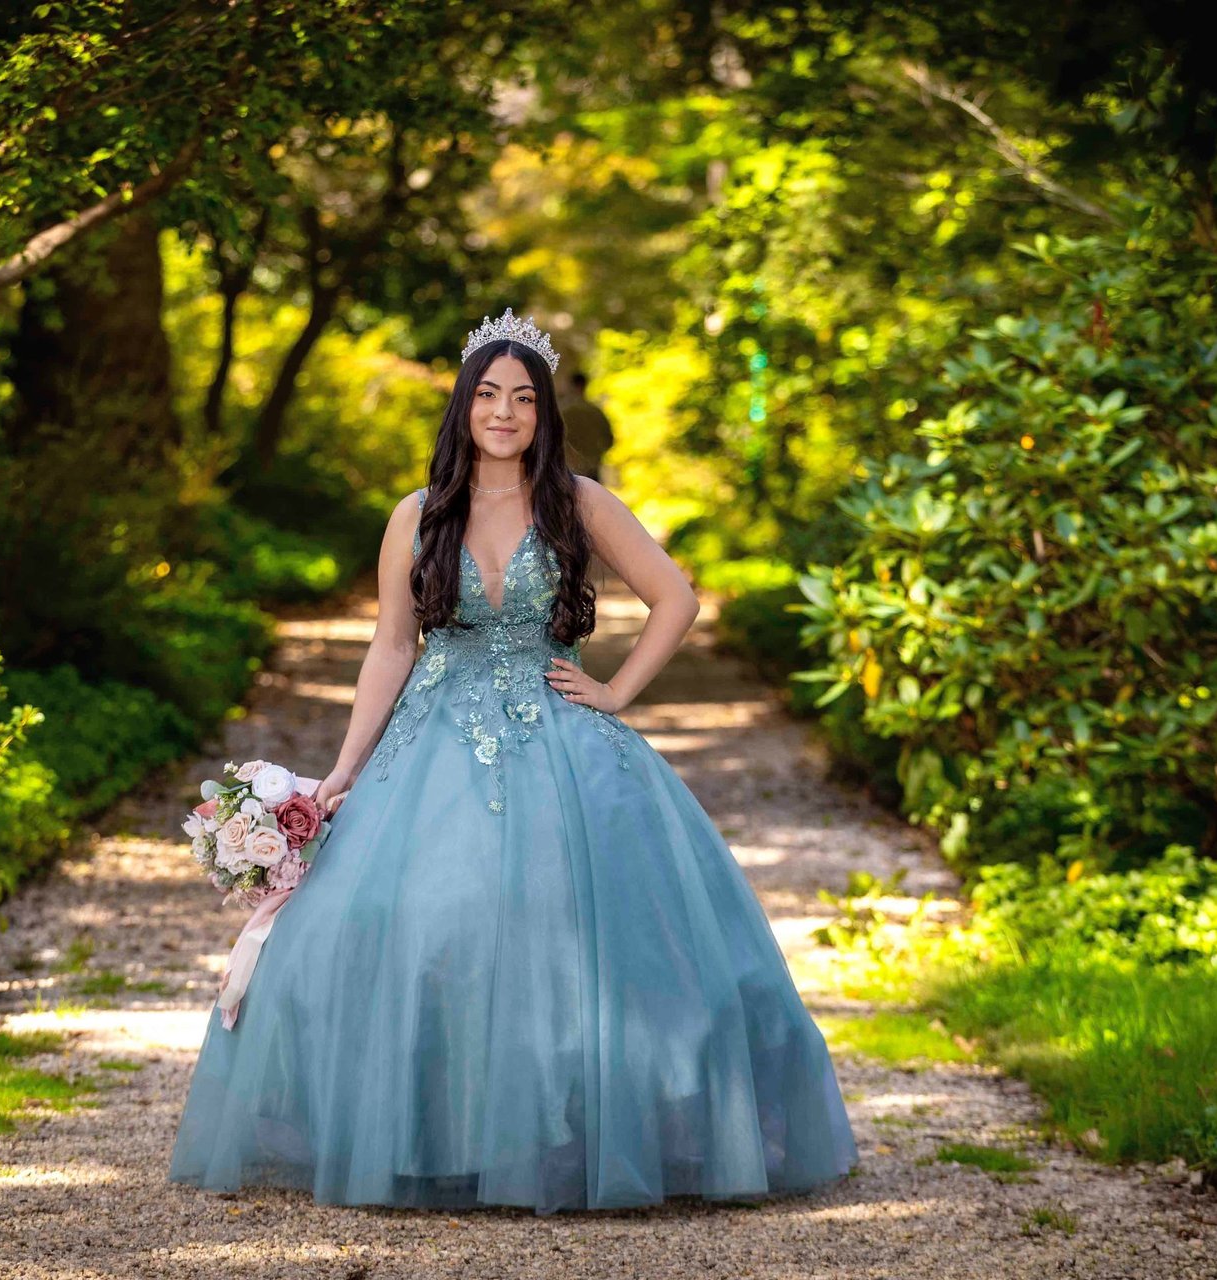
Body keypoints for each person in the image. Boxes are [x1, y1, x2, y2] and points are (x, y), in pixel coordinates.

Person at [167, 307, 857, 1214]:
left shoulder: (579, 502)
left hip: (563, 738)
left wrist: (615, 694)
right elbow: (391, 646)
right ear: (464, 405)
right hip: (431, 743)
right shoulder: (418, 514)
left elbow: (676, 599)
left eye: (522, 398)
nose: (503, 412)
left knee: (573, 935)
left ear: (542, 413)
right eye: (488, 394)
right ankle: (432, 1133)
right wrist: (342, 771)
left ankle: (566, 1134)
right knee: (418, 927)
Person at [559, 369, 614, 482]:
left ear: (572, 386)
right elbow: (609, 440)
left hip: (568, 468)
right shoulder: (595, 412)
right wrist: (595, 456)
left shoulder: (562, 412)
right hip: (592, 468)